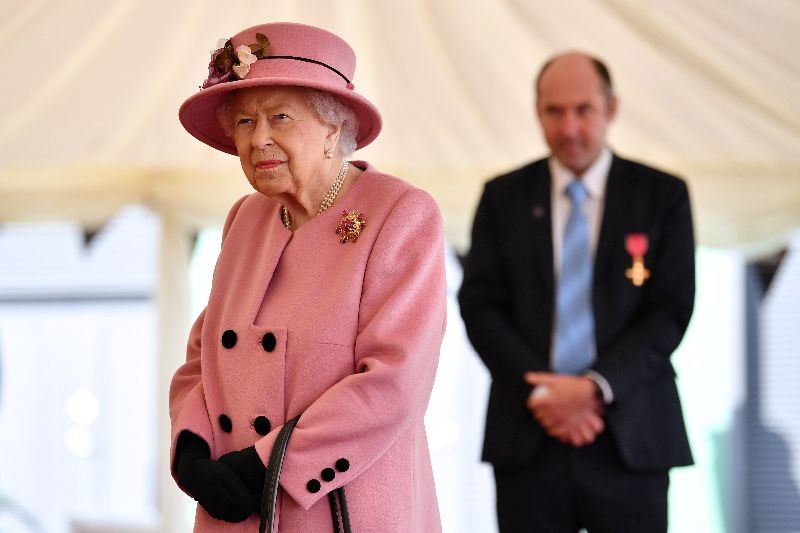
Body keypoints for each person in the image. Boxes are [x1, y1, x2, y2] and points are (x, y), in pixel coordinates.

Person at [169, 22, 446, 531]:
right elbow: (202, 354)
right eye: (246, 121)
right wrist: (191, 446)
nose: (259, 139)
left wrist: (266, 463)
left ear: (333, 129)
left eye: (280, 116)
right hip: (235, 510)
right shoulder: (245, 218)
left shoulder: (400, 214)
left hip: (338, 507)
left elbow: (393, 381)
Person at [458, 51, 695, 532]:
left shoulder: (661, 195)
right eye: (554, 111)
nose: (569, 128)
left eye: (583, 110)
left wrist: (591, 388)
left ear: (612, 109)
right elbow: (480, 306)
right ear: (537, 111)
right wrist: (546, 392)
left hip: (631, 436)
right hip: (528, 436)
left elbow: (670, 311)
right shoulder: (503, 197)